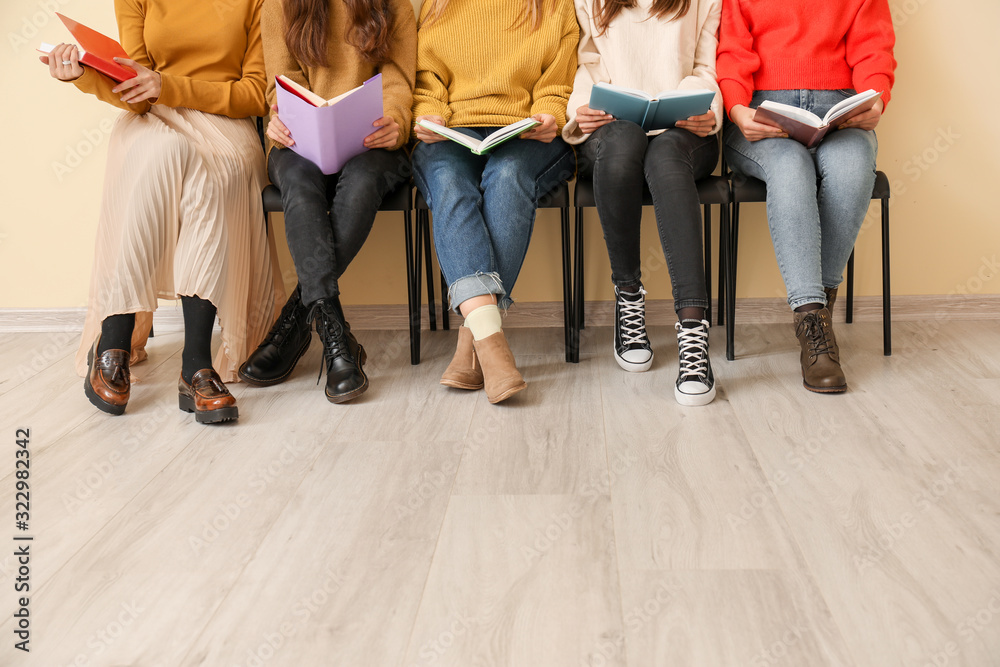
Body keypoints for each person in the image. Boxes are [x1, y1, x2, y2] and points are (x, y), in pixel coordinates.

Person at [43, 0, 283, 423]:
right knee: (158, 153)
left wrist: (168, 86)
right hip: (153, 118)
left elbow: (254, 93)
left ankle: (195, 362)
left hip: (224, 120)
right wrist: (82, 75)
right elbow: (131, 88)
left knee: (212, 176)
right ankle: (114, 338)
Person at [239, 0, 416, 403]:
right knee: (299, 186)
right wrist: (281, 115)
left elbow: (399, 80)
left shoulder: (394, 5)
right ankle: (337, 336)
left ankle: (295, 322)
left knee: (363, 181)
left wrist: (395, 120)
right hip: (300, 139)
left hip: (373, 140)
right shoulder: (279, 6)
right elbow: (281, 82)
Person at [717, 0, 895, 393]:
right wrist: (737, 109)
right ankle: (813, 320)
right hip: (764, 115)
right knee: (790, 168)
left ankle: (817, 316)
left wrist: (876, 95)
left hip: (839, 112)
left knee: (852, 170)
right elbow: (732, 53)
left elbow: (873, 47)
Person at [411, 0, 578, 404]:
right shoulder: (436, 7)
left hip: (525, 134)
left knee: (507, 177)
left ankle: (475, 339)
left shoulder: (556, 8)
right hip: (452, 133)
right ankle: (492, 344)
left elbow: (559, 82)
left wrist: (548, 114)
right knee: (449, 183)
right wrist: (429, 115)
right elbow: (426, 82)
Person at [564, 0, 723, 406]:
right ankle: (629, 296)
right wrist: (583, 107)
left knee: (666, 156)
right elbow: (588, 62)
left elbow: (706, 66)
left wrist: (703, 108)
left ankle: (693, 335)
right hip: (614, 128)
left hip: (684, 129)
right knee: (624, 141)